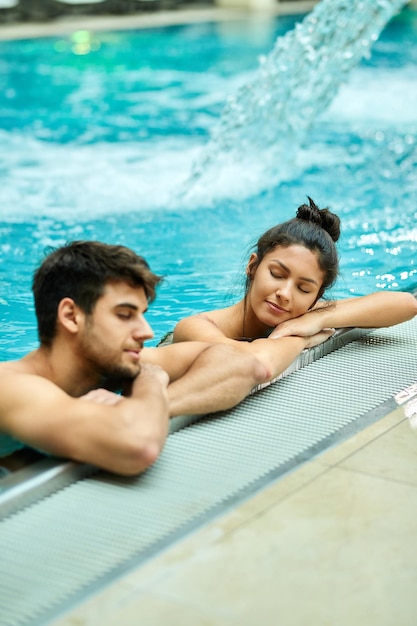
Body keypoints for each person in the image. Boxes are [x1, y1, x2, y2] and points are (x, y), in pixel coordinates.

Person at [0, 240, 278, 477]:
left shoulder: (110, 364)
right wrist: (153, 383)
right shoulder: (10, 386)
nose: (146, 332)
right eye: (124, 315)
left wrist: (150, 398)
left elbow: (243, 363)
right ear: (72, 316)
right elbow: (138, 444)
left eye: (142, 314)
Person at [173, 197, 417, 376]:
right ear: (253, 267)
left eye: (304, 289)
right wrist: (301, 339)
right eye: (277, 274)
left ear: (316, 297)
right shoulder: (196, 327)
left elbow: (406, 304)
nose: (285, 294)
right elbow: (251, 363)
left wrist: (316, 320)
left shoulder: (305, 314)